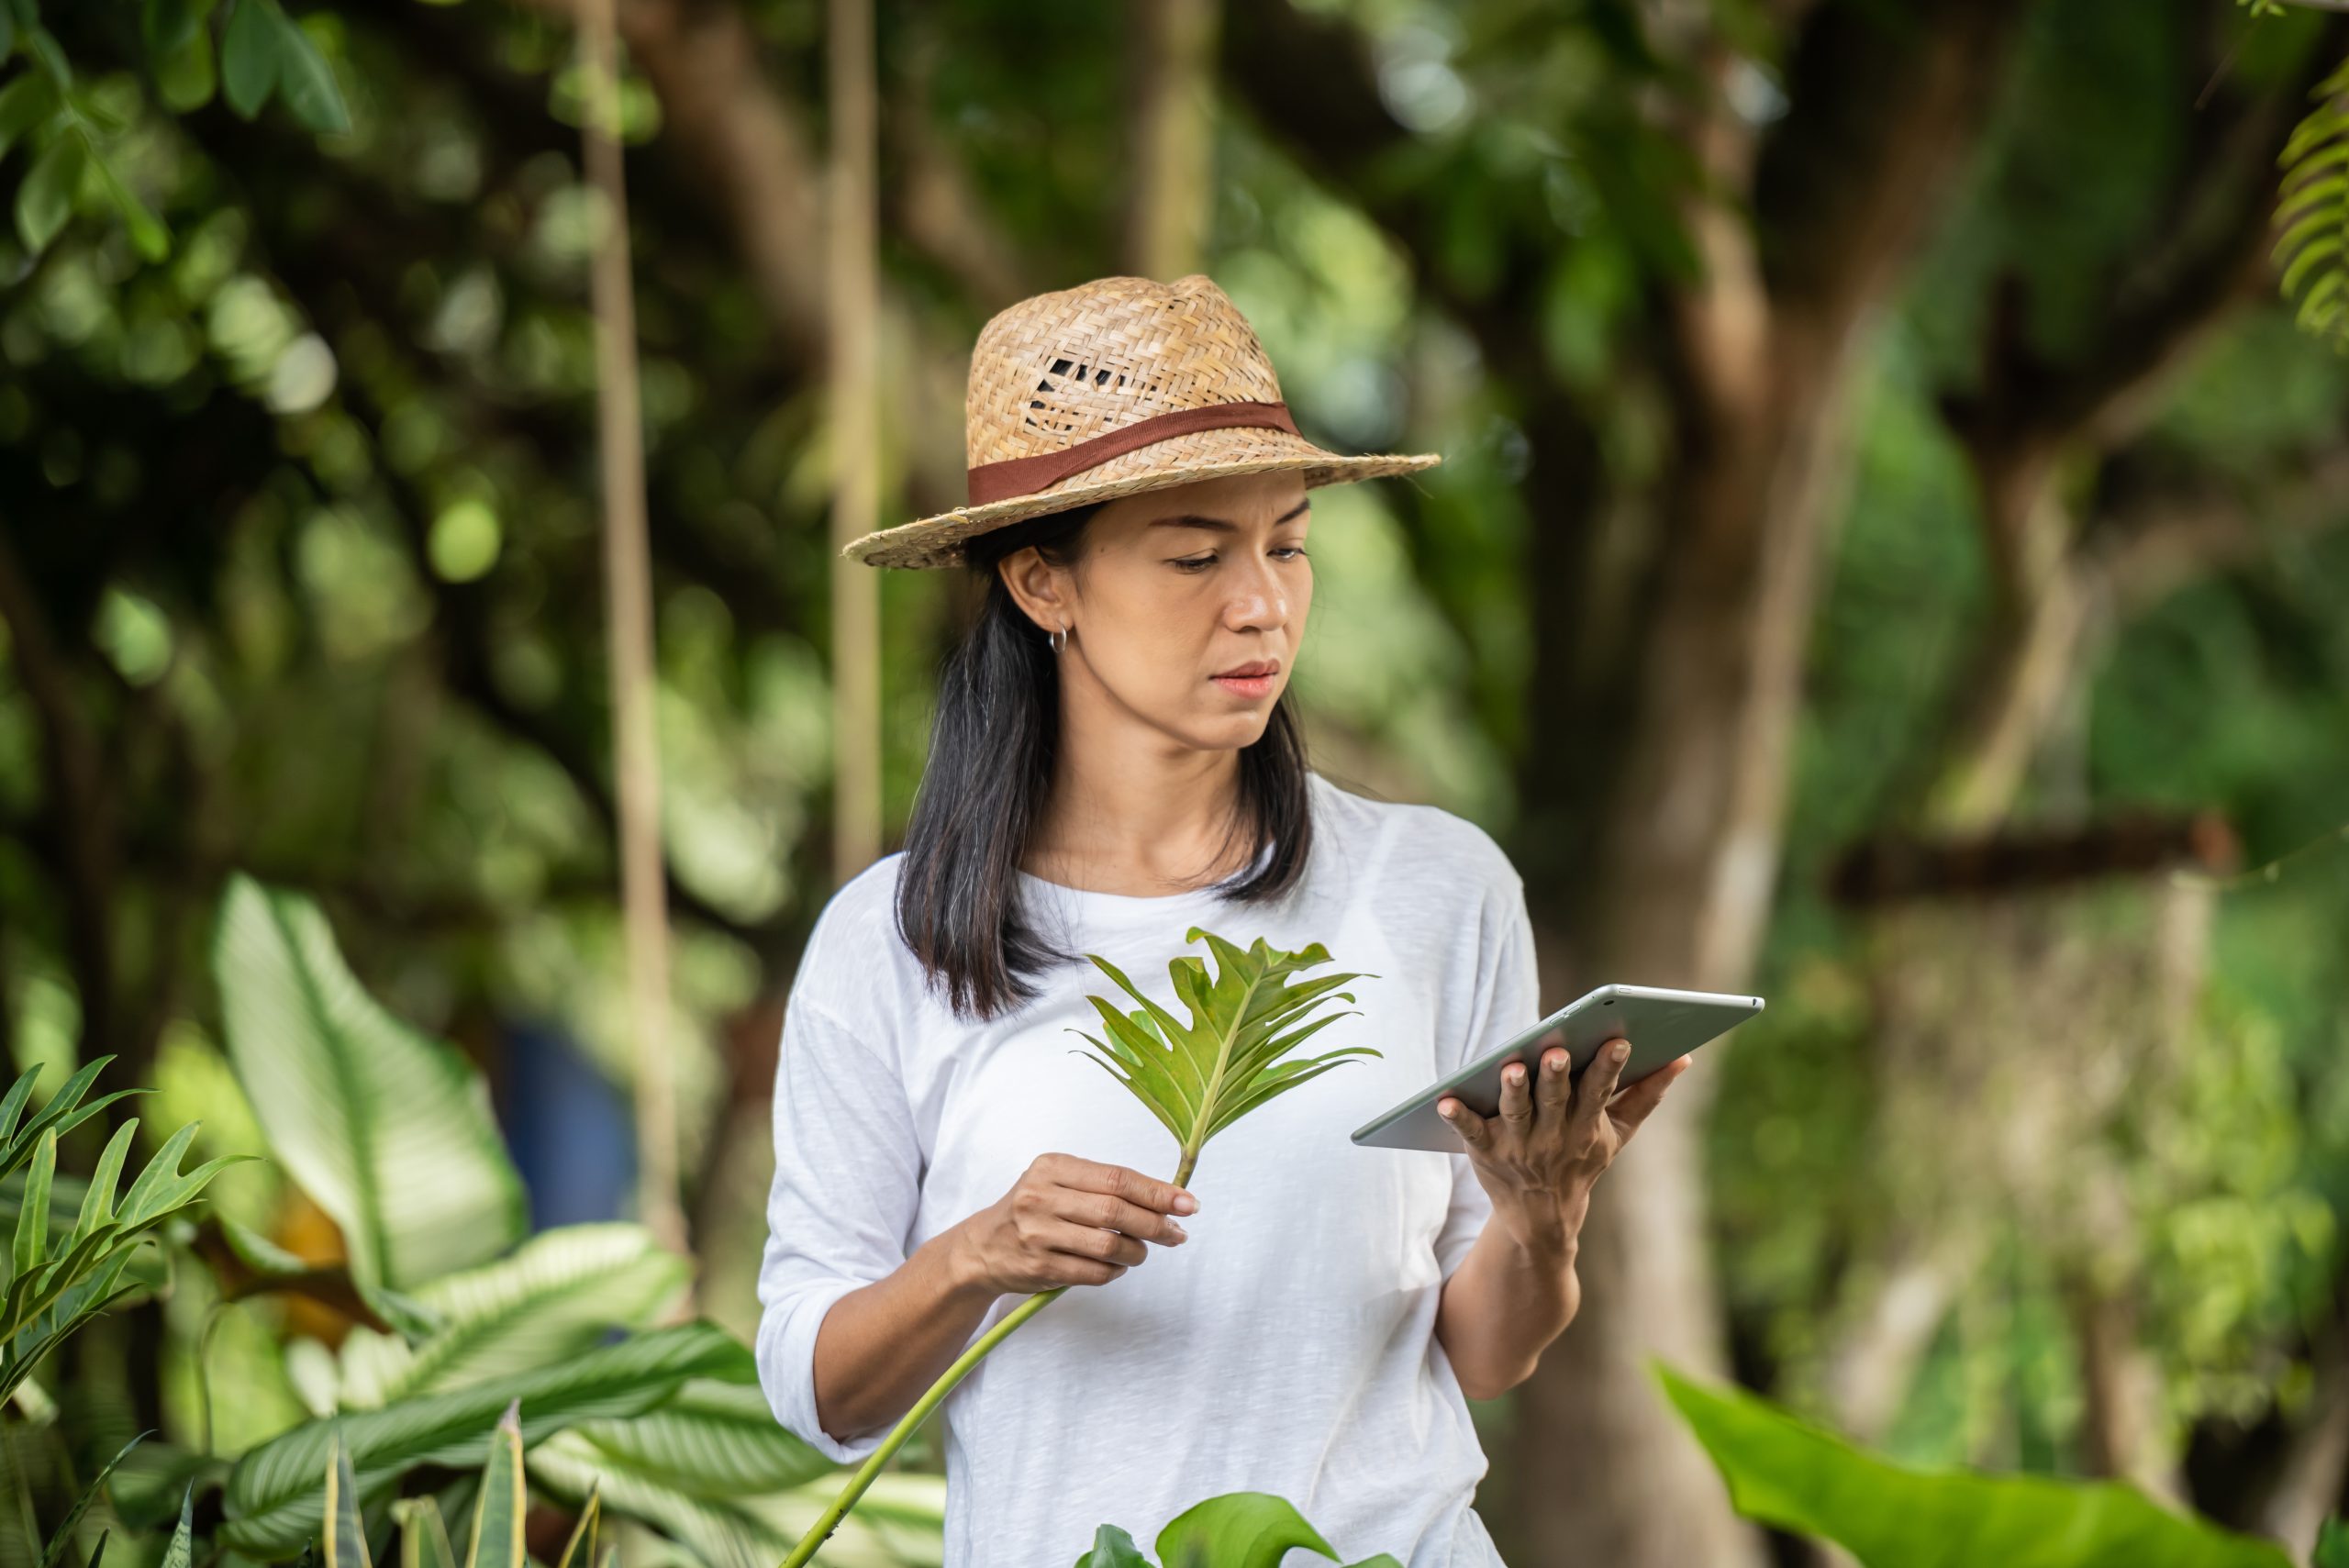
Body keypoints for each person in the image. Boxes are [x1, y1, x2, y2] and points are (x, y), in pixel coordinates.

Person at [754, 272, 1691, 1567]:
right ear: (1042, 582)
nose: (1263, 601)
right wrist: (977, 1255)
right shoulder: (892, 940)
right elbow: (816, 1391)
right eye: (1197, 554)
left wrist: (1544, 1213)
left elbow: (1485, 1352)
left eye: (1289, 544)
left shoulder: (1435, 885)